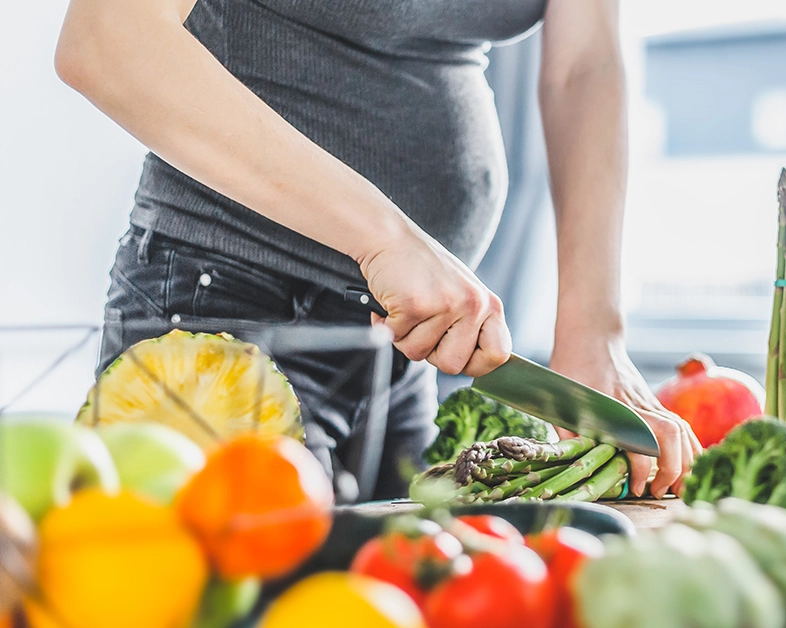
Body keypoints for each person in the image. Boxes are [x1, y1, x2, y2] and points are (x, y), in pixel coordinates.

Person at [56, 0, 701, 500]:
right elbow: (109, 41)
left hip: (399, 352)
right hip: (222, 321)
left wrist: (593, 335)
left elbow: (584, 66)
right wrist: (385, 238)